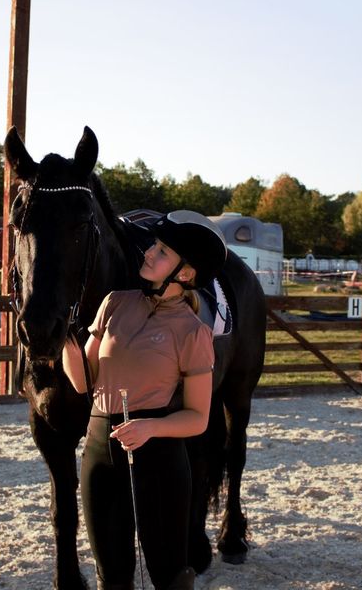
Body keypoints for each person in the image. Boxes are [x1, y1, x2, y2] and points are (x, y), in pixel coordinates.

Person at [62, 210, 228, 590]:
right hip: (98, 451)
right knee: (111, 575)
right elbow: (82, 381)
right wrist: (65, 340)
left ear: (185, 274)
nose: (150, 253)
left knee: (168, 575)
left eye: (164, 251)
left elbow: (198, 418)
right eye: (155, 245)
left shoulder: (192, 332)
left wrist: (151, 427)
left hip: (158, 460)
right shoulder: (114, 303)